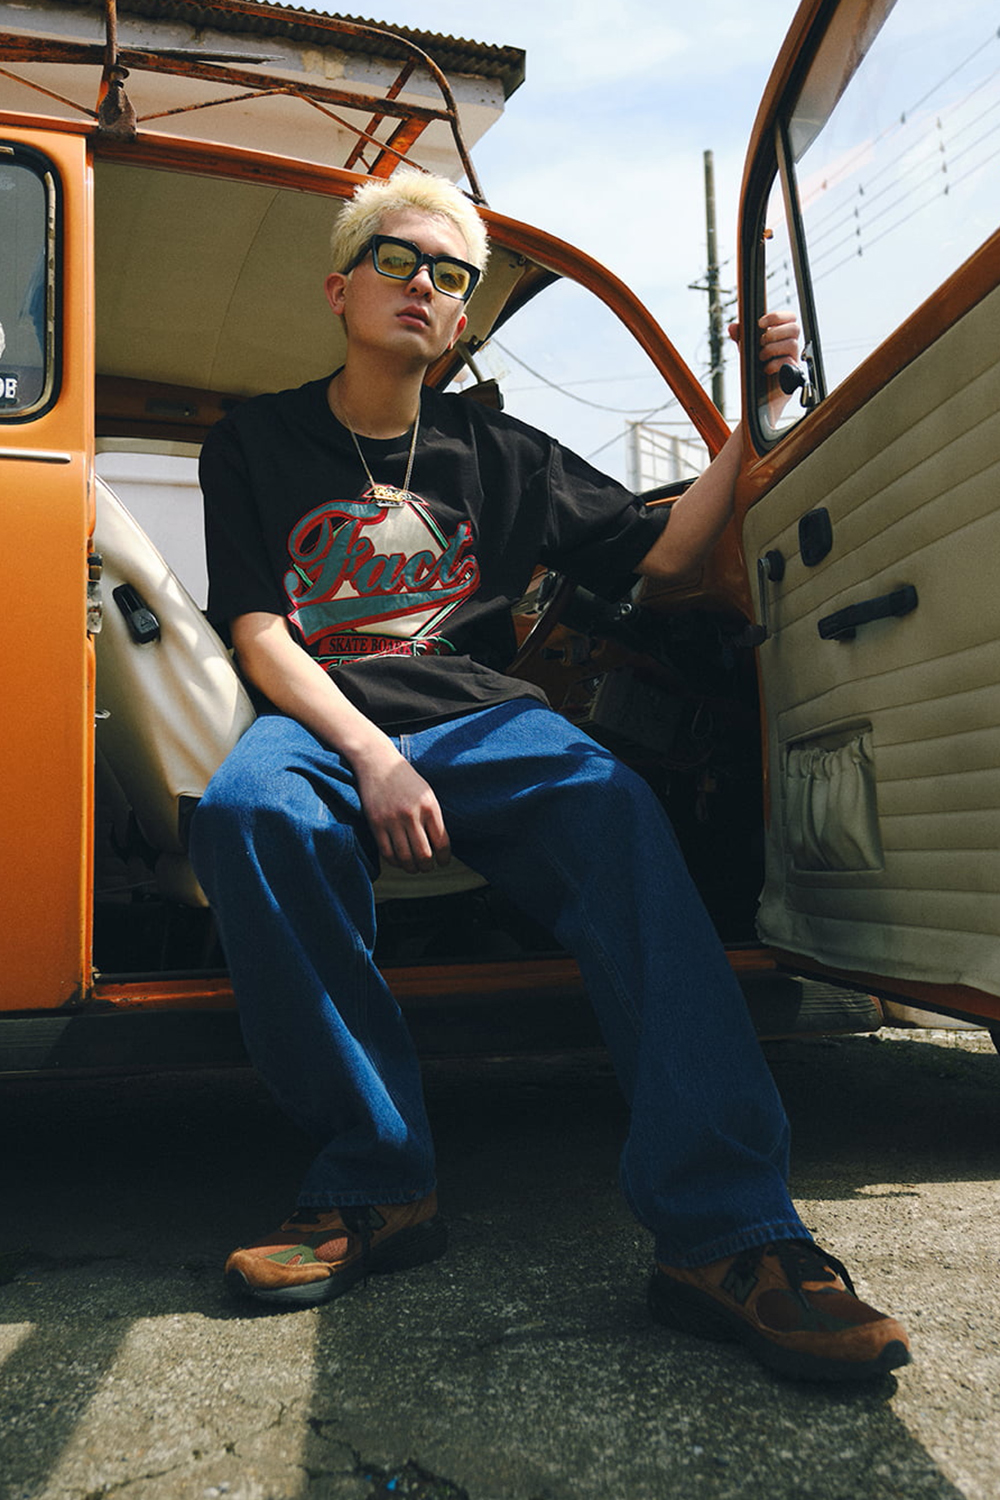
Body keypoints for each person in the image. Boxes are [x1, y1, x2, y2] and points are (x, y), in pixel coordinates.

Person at [189, 170, 910, 1384]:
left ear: (462, 318)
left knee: (616, 808)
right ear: (339, 288)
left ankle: (728, 1229)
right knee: (247, 811)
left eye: (450, 275)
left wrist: (756, 412)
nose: (423, 285)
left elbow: (666, 558)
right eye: (395, 260)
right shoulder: (255, 441)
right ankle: (375, 1180)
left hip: (481, 720)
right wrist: (371, 755)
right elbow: (259, 630)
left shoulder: (501, 450)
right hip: (322, 718)